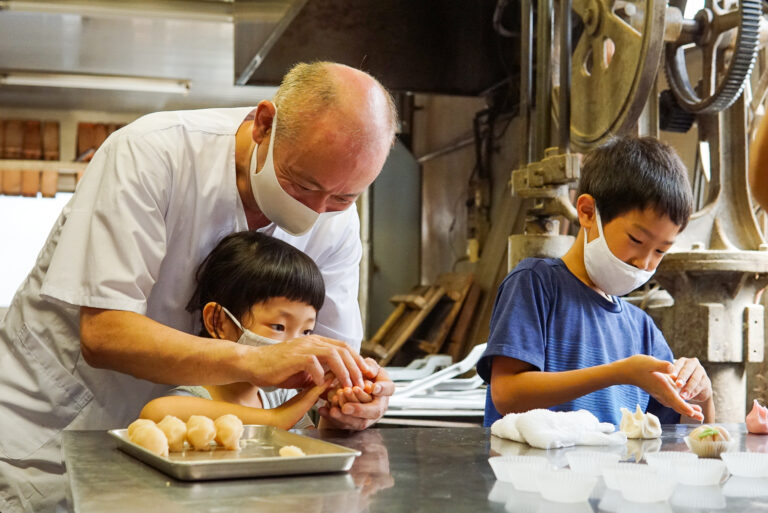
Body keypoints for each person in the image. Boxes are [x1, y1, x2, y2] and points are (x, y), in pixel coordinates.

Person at [0, 61, 395, 513]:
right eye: (302, 184)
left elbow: (330, 359)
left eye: (345, 197)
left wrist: (353, 397)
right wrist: (256, 361)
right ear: (264, 125)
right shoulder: (151, 153)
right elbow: (105, 333)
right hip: (55, 435)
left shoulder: (335, 218)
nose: (317, 211)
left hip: (196, 466)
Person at [477, 137, 716, 427]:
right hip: (533, 472)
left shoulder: (641, 329)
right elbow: (507, 394)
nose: (644, 262)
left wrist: (701, 394)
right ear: (588, 212)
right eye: (636, 240)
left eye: (660, 251)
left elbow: (682, 435)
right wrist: (618, 373)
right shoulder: (535, 284)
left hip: (610, 474)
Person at [140, 230, 375, 428]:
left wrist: (339, 412)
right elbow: (157, 412)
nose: (298, 346)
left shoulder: (279, 395)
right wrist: (274, 419)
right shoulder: (195, 395)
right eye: (278, 326)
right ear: (218, 322)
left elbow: (314, 446)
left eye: (306, 332)